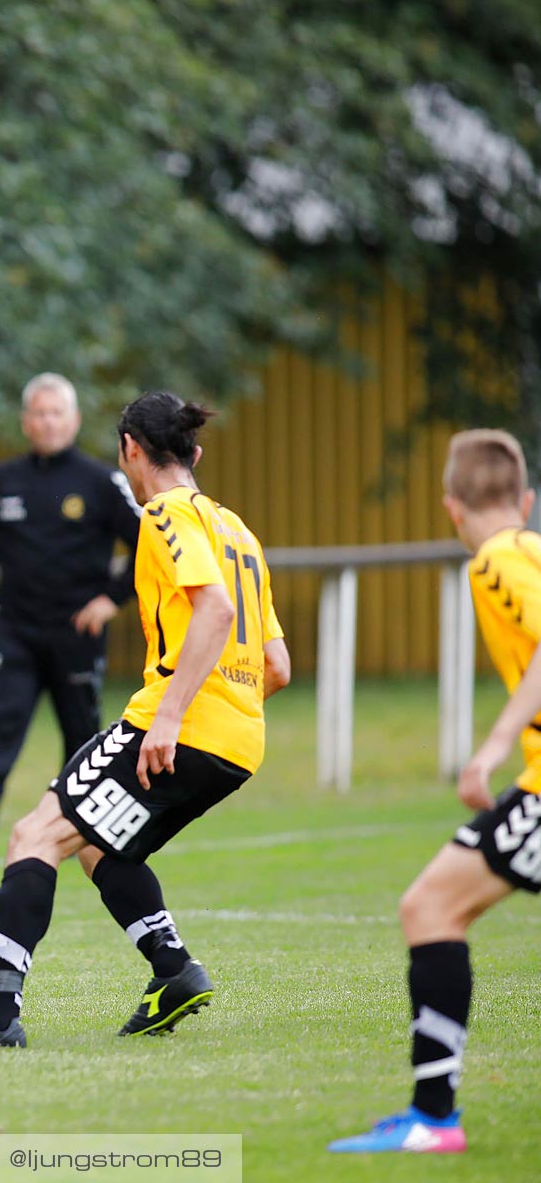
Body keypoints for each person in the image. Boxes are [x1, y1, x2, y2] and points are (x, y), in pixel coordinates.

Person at [0, 391, 290, 1050]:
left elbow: (215, 611)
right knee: (97, 844)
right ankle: (174, 971)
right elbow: (276, 665)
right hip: (239, 741)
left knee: (34, 836)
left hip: (176, 726)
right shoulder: (236, 529)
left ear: (130, 450)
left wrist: (169, 718)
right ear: (194, 453)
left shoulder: (165, 513)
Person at [330, 430, 541, 1154]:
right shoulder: (531, 549)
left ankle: (434, 1119)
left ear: (451, 507)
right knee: (430, 904)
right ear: (526, 499)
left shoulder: (498, 558)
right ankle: (432, 1114)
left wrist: (489, 749)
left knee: (430, 905)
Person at [0, 374, 143, 858]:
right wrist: (3, 556)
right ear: (25, 421)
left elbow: (147, 543)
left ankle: (85, 823)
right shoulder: (2, 478)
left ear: (73, 420)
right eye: (39, 412)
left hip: (77, 629)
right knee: (2, 721)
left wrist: (110, 599)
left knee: (82, 731)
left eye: (57, 412)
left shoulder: (100, 481)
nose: (48, 421)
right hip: (16, 626)